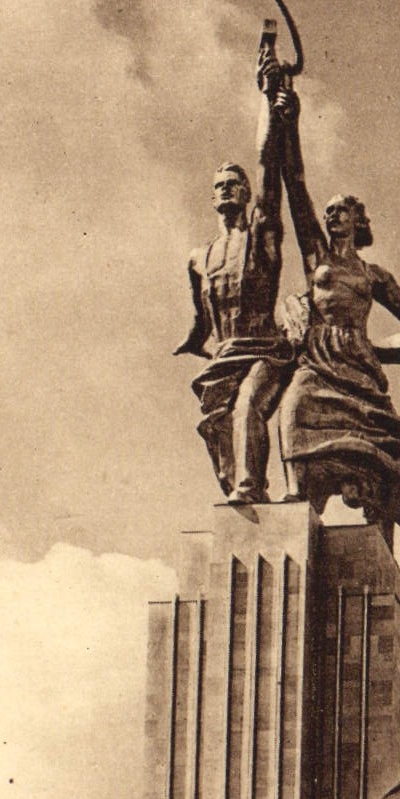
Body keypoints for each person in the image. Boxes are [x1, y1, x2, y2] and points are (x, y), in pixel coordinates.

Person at [275, 85, 400, 535]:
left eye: (340, 211)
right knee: (293, 407)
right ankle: (295, 499)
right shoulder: (316, 258)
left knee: (381, 447)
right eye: (327, 212)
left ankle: (379, 519)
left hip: (358, 366)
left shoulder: (373, 275)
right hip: (318, 361)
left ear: (357, 220)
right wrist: (288, 121)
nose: (330, 217)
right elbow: (295, 183)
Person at [175, 45, 294, 505]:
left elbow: (269, 164)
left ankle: (252, 489)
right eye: (218, 185)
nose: (227, 189)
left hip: (265, 350)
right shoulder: (198, 257)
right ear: (212, 199)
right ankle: (239, 487)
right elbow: (201, 321)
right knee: (219, 428)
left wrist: (267, 96)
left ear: (245, 193)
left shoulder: (261, 236)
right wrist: (194, 343)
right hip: (223, 356)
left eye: (234, 183)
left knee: (248, 408)